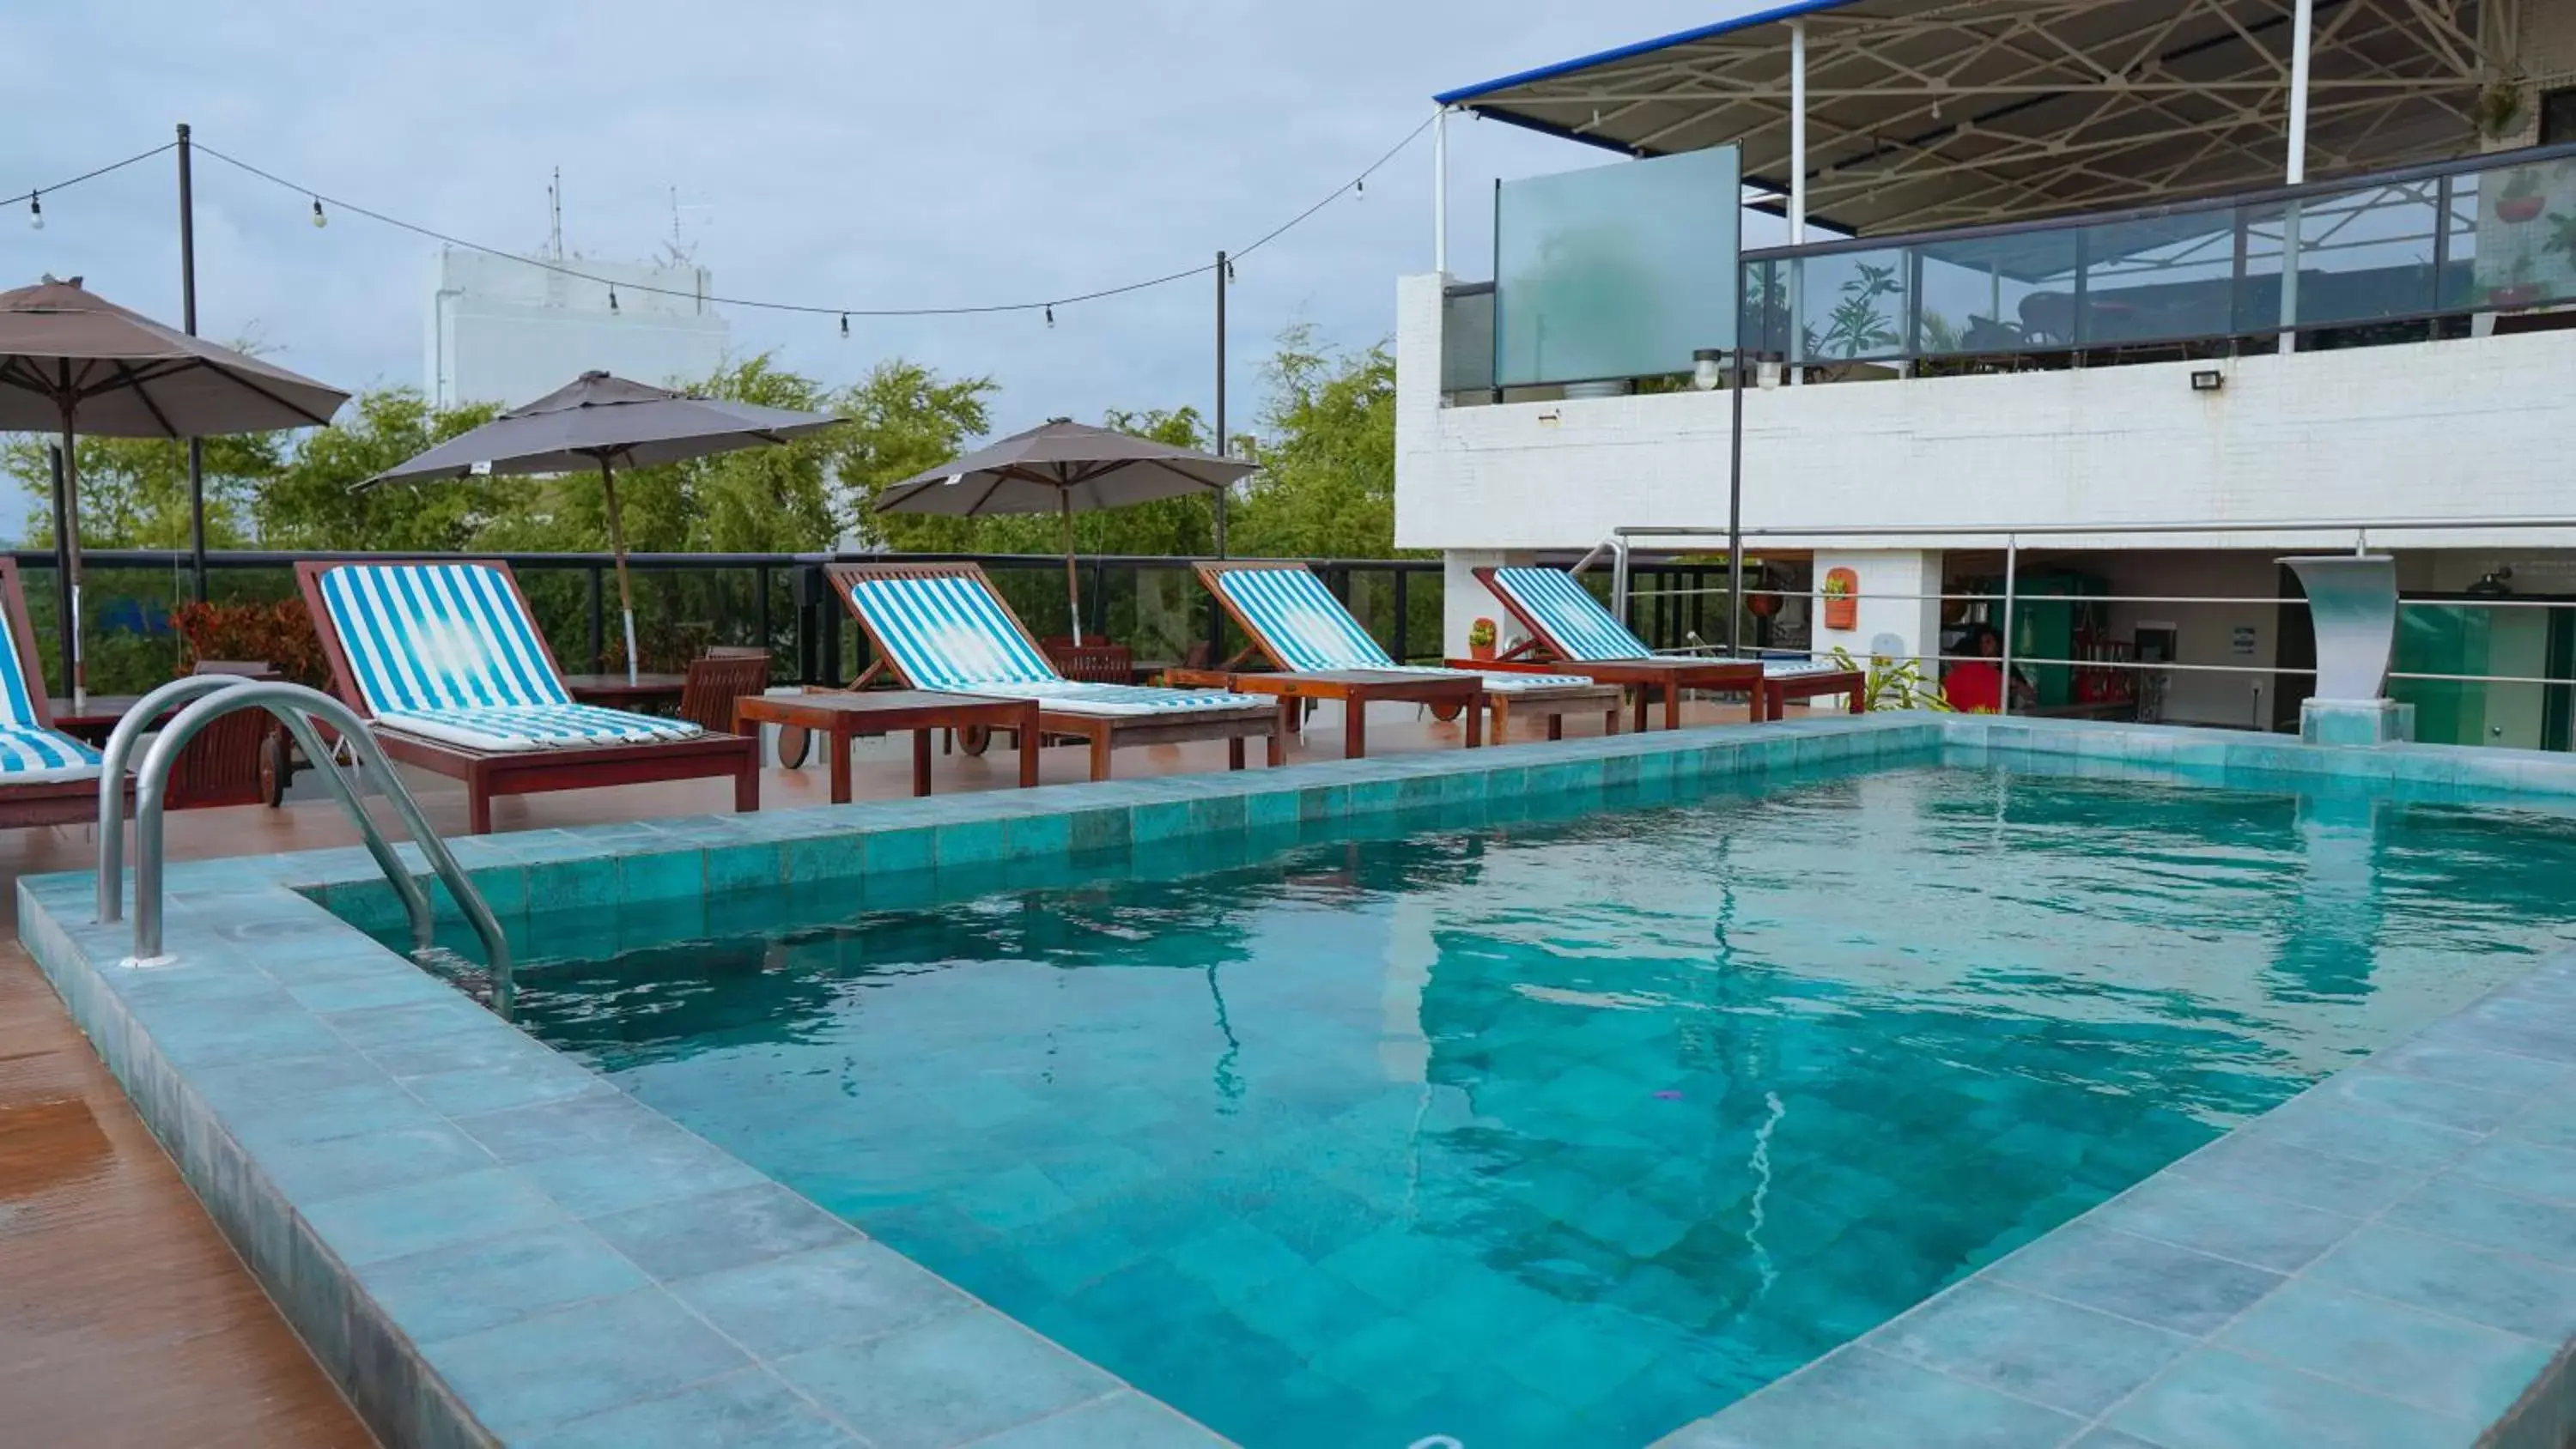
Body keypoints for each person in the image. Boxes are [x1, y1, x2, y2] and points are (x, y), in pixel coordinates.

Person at [1944, 625, 2006, 713]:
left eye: (1954, 655)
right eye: (1982, 643)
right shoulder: (1997, 674)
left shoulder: (1953, 677)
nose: (1950, 659)